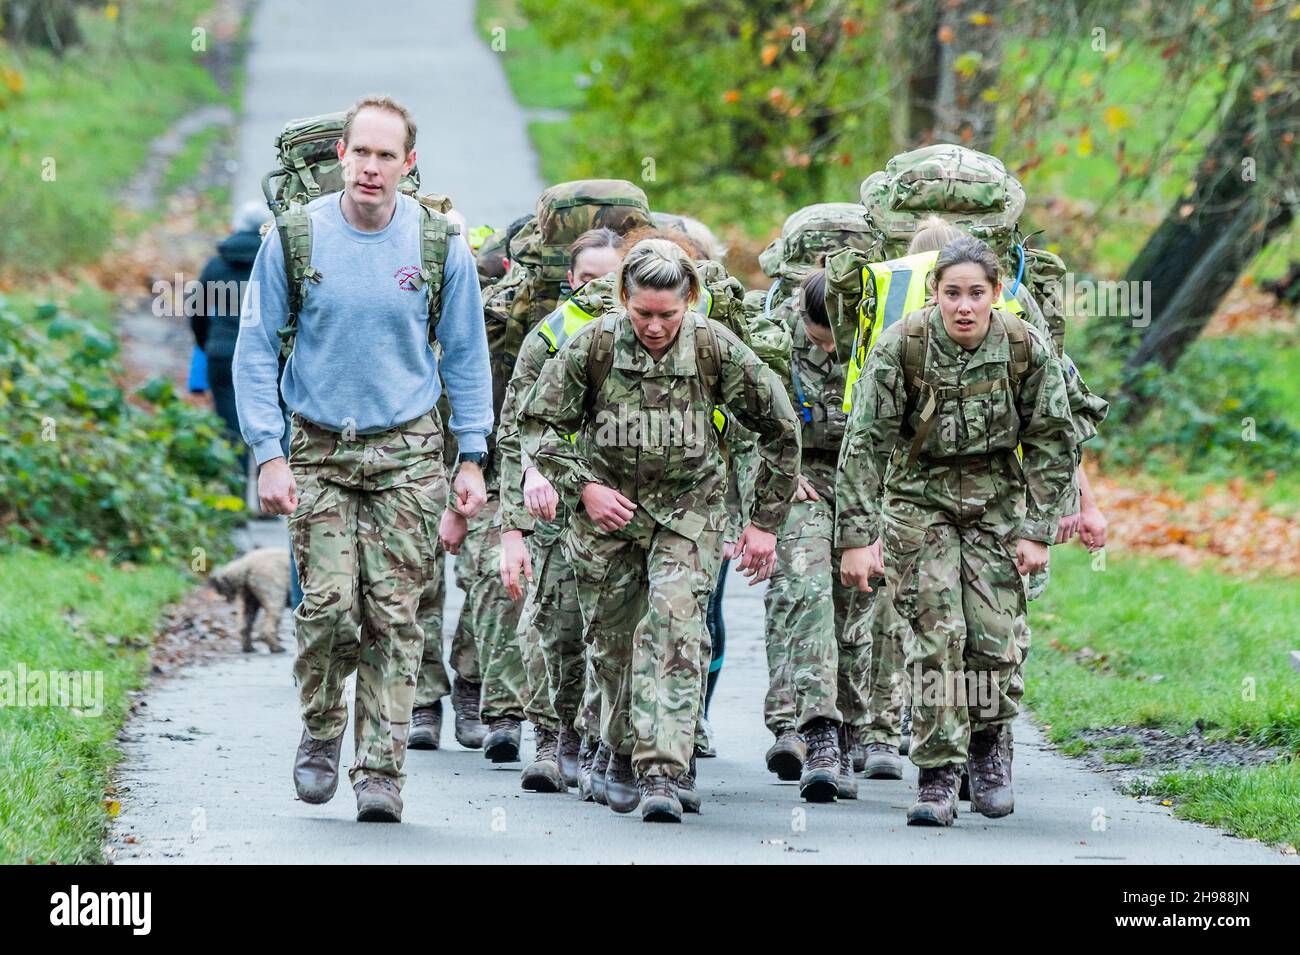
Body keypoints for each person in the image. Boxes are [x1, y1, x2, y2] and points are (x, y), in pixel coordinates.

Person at [233, 95, 493, 823]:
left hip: (408, 450)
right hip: (318, 446)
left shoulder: (438, 244)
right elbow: (255, 351)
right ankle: (320, 728)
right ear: (340, 156)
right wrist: (267, 452)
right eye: (362, 153)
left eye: (388, 155)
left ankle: (380, 769)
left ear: (408, 165)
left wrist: (472, 457)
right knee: (328, 608)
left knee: (395, 613)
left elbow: (469, 357)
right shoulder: (294, 238)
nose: (372, 167)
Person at [519, 239, 800, 822]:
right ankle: (618, 750)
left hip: (689, 515)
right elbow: (540, 428)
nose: (653, 326)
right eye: (642, 312)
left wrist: (765, 524)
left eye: (667, 314)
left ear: (689, 302)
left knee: (675, 629)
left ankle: (666, 770)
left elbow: (778, 428)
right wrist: (584, 490)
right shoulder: (591, 345)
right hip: (609, 517)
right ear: (623, 299)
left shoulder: (714, 348)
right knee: (616, 642)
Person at [837, 236, 1077, 826]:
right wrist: (856, 537)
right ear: (934, 294)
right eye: (952, 293)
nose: (964, 306)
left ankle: (990, 746)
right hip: (919, 499)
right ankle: (938, 774)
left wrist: (1038, 529)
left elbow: (1053, 436)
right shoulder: (904, 346)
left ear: (996, 294)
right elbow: (865, 443)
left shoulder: (1024, 346)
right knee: (935, 637)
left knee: (994, 638)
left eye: (976, 293)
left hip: (998, 500)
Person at [497, 227, 624, 793]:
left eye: (611, 280)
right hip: (553, 501)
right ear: (572, 281)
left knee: (612, 630)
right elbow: (513, 432)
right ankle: (551, 737)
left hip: (618, 507)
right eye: (589, 279)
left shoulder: (645, 334)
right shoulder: (547, 339)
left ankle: (598, 739)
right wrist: (513, 527)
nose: (598, 290)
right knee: (553, 626)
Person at [761, 267, 866, 802]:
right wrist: (775, 470)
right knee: (805, 591)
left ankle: (852, 729)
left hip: (869, 484)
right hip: (798, 482)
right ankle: (817, 732)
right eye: (819, 336)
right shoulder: (774, 340)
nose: (829, 347)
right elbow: (738, 417)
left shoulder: (877, 336)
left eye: (837, 337)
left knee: (856, 607)